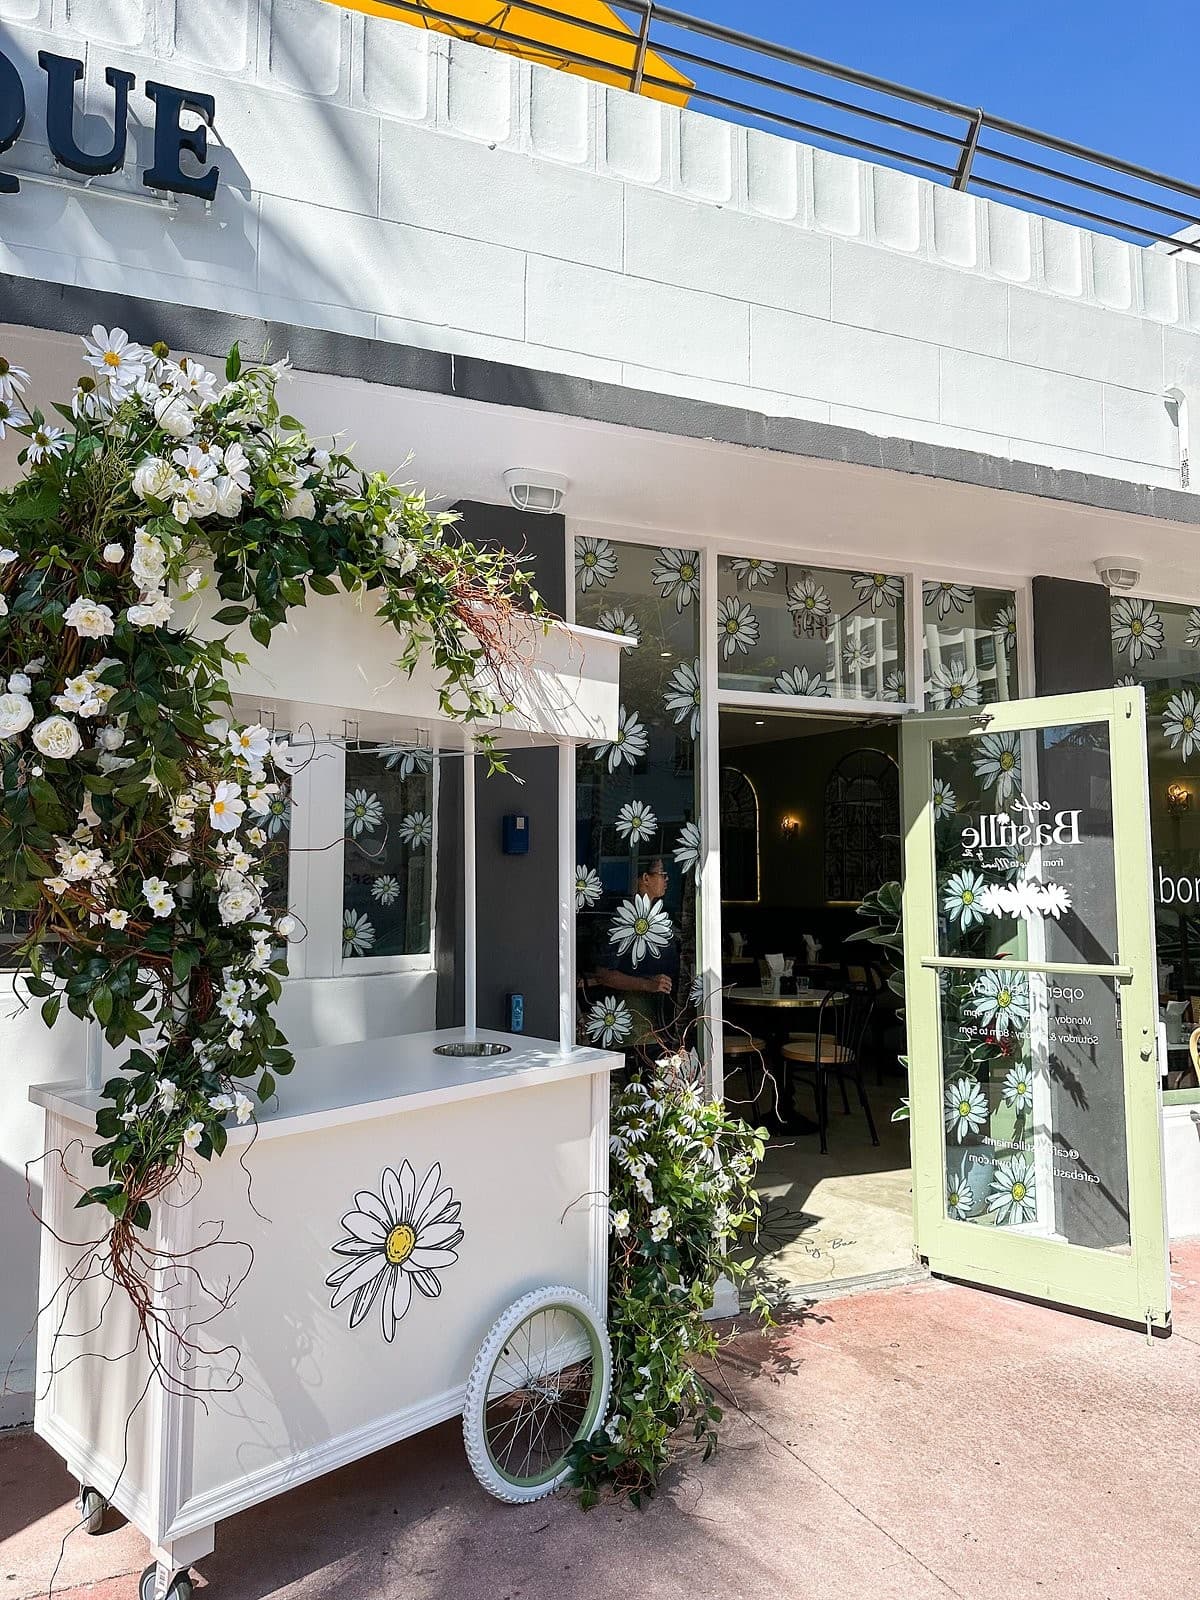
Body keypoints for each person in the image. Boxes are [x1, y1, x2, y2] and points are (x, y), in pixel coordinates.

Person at [592, 856, 680, 1049]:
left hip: (666, 1016)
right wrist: (647, 985)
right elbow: (603, 974)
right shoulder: (625, 920)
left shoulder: (664, 916)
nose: (667, 879)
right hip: (635, 1016)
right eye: (662, 874)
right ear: (645, 879)